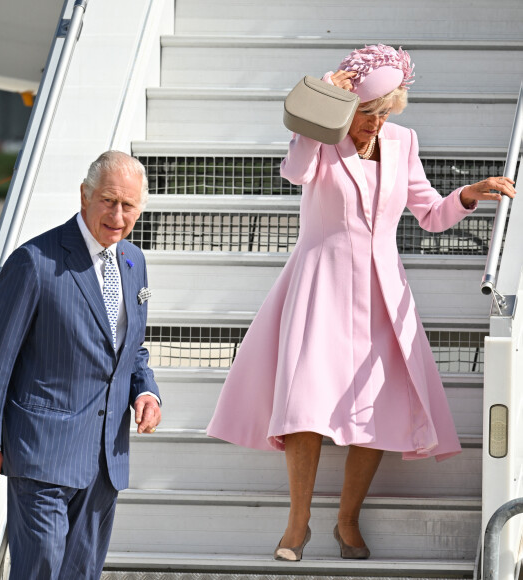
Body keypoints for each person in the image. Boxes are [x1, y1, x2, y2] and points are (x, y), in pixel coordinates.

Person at [207, 45, 516, 561]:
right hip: (319, 283)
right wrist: (324, 108)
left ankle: (347, 519)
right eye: (367, 114)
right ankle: (298, 522)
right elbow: (295, 172)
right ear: (347, 108)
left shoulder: (403, 141)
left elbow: (430, 214)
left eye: (383, 114)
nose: (375, 124)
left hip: (381, 291)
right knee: (304, 404)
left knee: (377, 408)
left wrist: (468, 194)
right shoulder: (321, 138)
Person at [0, 150, 161, 579]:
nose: (117, 214)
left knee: (81, 573)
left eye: (128, 205)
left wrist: (145, 390)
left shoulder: (134, 262)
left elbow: (131, 349)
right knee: (41, 568)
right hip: (41, 452)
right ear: (84, 196)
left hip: (105, 457)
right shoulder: (34, 261)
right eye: (108, 200)